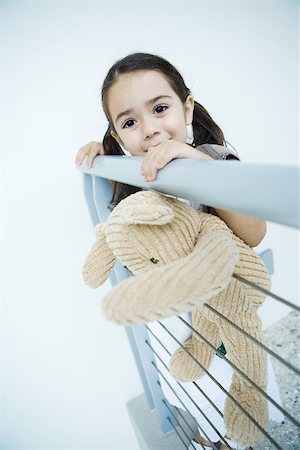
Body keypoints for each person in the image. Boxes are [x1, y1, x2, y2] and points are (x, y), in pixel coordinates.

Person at [75, 53, 283, 450]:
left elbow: (254, 235)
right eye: (130, 122)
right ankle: (210, 437)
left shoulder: (217, 160)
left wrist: (201, 165)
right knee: (197, 390)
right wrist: (100, 158)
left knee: (240, 387)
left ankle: (239, 440)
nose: (150, 130)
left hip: (226, 310)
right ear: (118, 137)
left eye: (160, 108)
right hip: (176, 321)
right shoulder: (133, 173)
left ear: (186, 108)